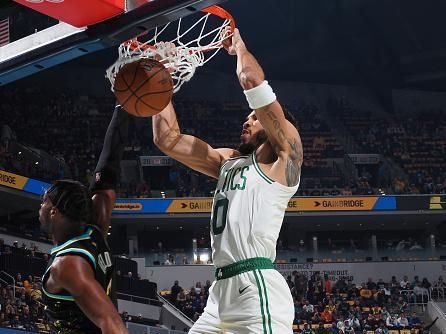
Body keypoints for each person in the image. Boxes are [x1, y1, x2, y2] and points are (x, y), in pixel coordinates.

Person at [152, 28, 303, 333]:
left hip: (256, 285)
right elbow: (166, 139)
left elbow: (251, 81)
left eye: (254, 117)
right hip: (219, 293)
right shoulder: (228, 161)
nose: (246, 120)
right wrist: (159, 81)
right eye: (247, 117)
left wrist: (240, 47)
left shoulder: (285, 157)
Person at [39, 106, 129, 334]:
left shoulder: (68, 264)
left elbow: (113, 323)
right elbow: (108, 166)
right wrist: (124, 108)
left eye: (44, 203)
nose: (39, 208)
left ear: (54, 212)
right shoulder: (95, 229)